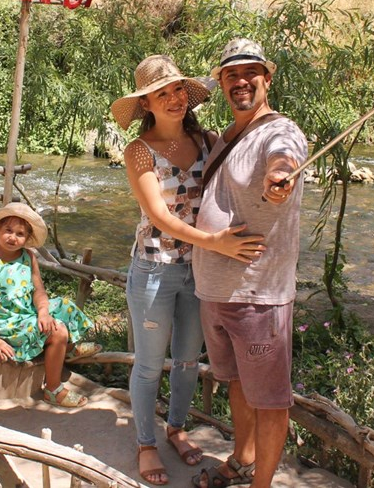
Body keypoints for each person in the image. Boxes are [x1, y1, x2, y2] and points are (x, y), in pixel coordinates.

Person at [111, 54, 266, 486]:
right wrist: (217, 243)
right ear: (146, 105)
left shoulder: (207, 139)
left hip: (200, 271)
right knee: (148, 364)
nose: (175, 99)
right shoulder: (138, 151)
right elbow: (159, 217)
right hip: (155, 271)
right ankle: (146, 443)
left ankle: (176, 428)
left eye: (178, 89)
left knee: (185, 362)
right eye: (162, 94)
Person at [190, 38, 308, 488]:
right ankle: (241, 460)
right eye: (231, 75)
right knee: (236, 383)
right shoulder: (228, 137)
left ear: (267, 78)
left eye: (249, 72)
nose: (241, 81)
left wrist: (279, 177)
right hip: (217, 291)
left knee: (270, 400)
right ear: (221, 83)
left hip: (258, 294)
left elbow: (284, 157)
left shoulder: (279, 132)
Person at [0, 202, 100, 408]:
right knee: (58, 331)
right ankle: (53, 388)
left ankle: (68, 348)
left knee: (65, 306)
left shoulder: (28, 256)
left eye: (20, 234)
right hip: (5, 323)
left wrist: (43, 312)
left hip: (27, 312)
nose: (13, 238)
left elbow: (39, 290)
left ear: (27, 238)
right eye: (8, 231)